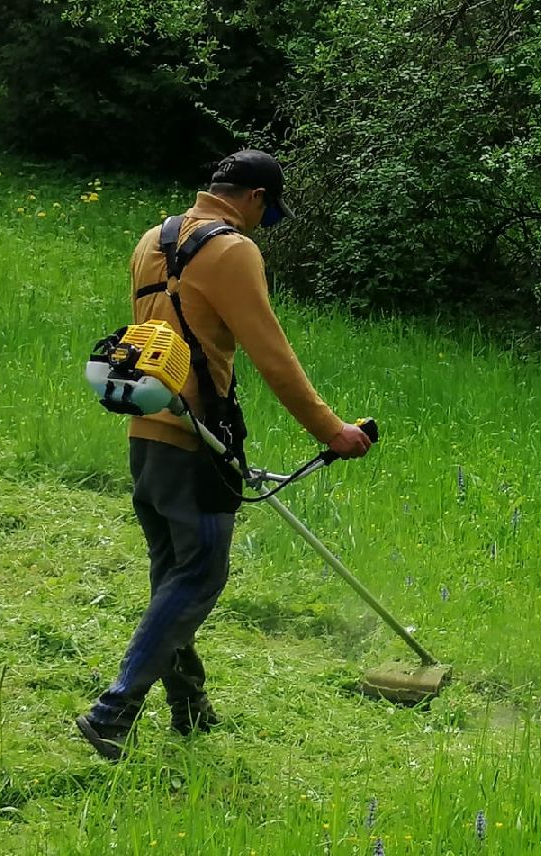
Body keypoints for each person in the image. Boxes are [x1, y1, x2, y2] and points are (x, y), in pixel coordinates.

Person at [76, 149, 371, 761]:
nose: (264, 224)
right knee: (200, 575)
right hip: (196, 443)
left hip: (145, 434)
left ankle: (188, 705)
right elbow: (272, 356)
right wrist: (330, 431)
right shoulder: (233, 249)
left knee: (173, 578)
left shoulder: (151, 241)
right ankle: (113, 712)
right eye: (268, 212)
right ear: (256, 198)